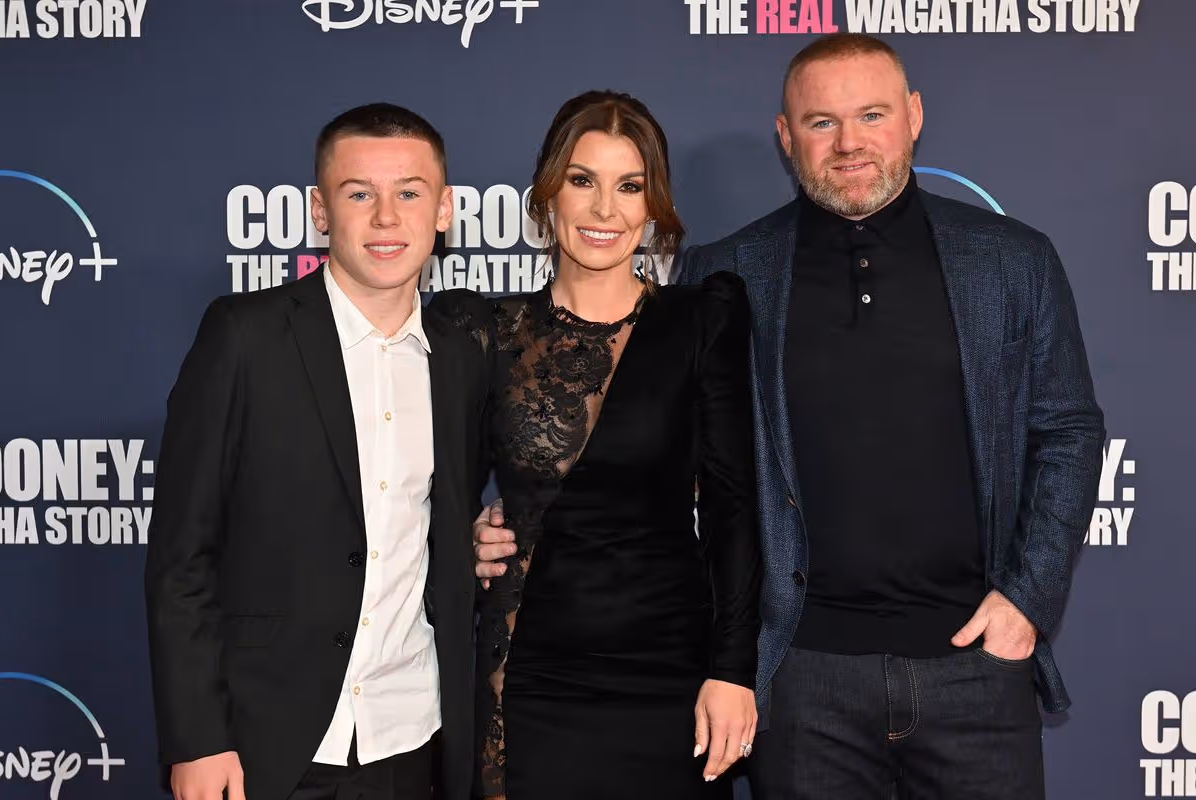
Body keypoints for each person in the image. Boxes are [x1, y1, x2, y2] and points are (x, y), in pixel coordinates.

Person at [477, 32, 1105, 800]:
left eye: (871, 114)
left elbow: (1069, 431)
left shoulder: (1012, 260)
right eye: (820, 122)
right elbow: (691, 474)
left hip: (974, 671)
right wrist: (514, 519)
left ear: (912, 117)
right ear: (785, 136)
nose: (848, 143)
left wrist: (1027, 599)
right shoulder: (728, 274)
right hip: (803, 684)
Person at [144, 103, 488, 800]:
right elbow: (182, 559)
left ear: (445, 209)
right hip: (269, 748)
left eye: (409, 193)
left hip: (416, 739)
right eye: (359, 193)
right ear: (319, 211)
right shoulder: (244, 338)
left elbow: (438, 516)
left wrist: (471, 538)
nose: (386, 218)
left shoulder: (460, 356)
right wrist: (199, 739)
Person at [433, 89, 762, 800]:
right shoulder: (487, 331)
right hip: (529, 671)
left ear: (654, 206)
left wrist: (733, 670)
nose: (605, 210)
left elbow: (735, 511)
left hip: (669, 671)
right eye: (582, 181)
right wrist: (457, 536)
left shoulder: (701, 320)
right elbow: (429, 488)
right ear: (548, 194)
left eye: (629, 186)